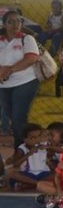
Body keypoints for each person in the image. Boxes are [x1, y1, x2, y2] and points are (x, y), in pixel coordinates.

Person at [0, 10, 41, 149]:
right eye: (10, 21)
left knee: (18, 118)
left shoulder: (27, 38)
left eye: (18, 21)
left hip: (25, 82)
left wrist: (9, 69)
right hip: (4, 85)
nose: (15, 24)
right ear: (4, 24)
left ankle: (20, 149)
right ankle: (28, 145)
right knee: (13, 117)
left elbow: (31, 58)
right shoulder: (0, 41)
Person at [4, 123, 50, 191]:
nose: (36, 140)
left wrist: (49, 147)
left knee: (58, 174)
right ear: (25, 139)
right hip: (28, 174)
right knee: (11, 173)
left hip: (43, 174)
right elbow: (16, 164)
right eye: (33, 138)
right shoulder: (22, 149)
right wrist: (28, 154)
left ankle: (29, 185)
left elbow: (58, 150)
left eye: (39, 136)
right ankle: (37, 184)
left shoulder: (43, 145)